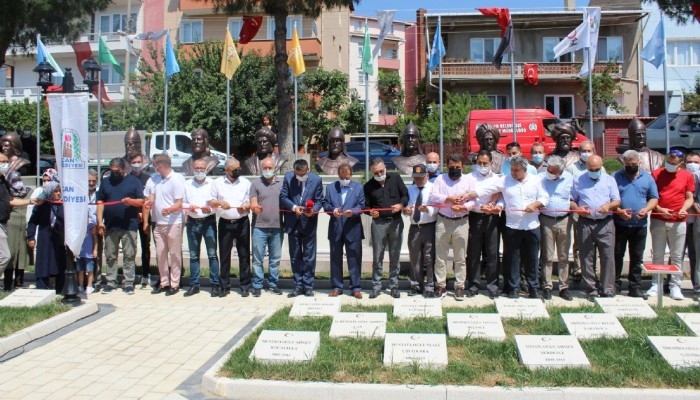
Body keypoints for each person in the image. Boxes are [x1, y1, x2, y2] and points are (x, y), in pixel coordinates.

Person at [472, 156, 549, 299]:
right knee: (513, 258)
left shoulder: (536, 180)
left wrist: (535, 205)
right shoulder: (505, 180)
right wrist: (468, 195)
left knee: (532, 258)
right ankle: (514, 287)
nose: (513, 173)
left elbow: (545, 197)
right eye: (512, 170)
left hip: (532, 225)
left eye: (517, 170)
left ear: (525, 170)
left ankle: (534, 287)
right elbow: (486, 189)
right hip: (513, 226)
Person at [571, 155, 621, 301]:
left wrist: (609, 206)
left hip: (605, 222)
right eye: (591, 169)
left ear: (601, 166)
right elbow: (572, 200)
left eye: (597, 169)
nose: (594, 172)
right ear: (586, 167)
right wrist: (577, 209)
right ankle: (591, 289)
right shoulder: (578, 180)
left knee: (607, 256)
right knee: (586, 256)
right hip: (585, 222)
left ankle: (607, 289)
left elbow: (616, 200)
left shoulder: (609, 180)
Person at [648, 150, 695, 300]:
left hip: (678, 221)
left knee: (677, 255)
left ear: (681, 163)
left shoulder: (687, 176)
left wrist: (683, 209)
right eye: (668, 161)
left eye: (673, 163)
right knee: (658, 254)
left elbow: (689, 197)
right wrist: (660, 209)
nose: (670, 165)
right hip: (658, 218)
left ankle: (675, 286)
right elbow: (651, 196)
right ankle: (656, 283)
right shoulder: (656, 173)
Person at [428, 154, 475, 299]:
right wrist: (448, 199)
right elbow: (432, 196)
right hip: (443, 221)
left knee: (460, 257)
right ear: (447, 167)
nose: (455, 170)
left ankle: (459, 286)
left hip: (461, 221)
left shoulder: (469, 180)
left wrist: (463, 207)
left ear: (462, 167)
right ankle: (440, 286)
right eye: (452, 167)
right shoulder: (440, 179)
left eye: (458, 167)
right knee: (440, 257)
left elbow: (474, 201)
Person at [613, 150, 658, 300]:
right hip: (620, 223)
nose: (630, 167)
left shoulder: (648, 178)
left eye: (633, 164)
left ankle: (635, 287)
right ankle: (615, 284)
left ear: (639, 162)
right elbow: (610, 198)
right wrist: (619, 211)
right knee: (617, 255)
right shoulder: (616, 177)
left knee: (637, 257)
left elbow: (654, 198)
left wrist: (646, 209)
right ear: (623, 163)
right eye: (628, 164)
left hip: (640, 224)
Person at [96, 158, 145, 294]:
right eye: (112, 171)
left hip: (129, 225)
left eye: (117, 171)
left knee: (129, 255)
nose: (114, 173)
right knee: (110, 255)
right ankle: (111, 282)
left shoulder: (133, 181)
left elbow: (142, 201)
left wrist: (131, 202)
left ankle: (128, 282)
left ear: (123, 169)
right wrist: (100, 222)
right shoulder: (106, 182)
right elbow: (100, 202)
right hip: (111, 226)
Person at [364, 158, 408, 298]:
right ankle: (376, 286)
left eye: (381, 171)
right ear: (372, 172)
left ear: (386, 168)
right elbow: (365, 206)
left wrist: (401, 205)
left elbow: (405, 195)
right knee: (378, 256)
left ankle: (394, 286)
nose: (379, 174)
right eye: (376, 172)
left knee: (395, 255)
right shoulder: (368, 186)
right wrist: (369, 212)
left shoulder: (395, 178)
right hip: (378, 223)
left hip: (395, 222)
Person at [280, 159, 324, 297]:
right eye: (298, 174)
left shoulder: (316, 180)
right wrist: (293, 207)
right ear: (294, 171)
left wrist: (313, 211)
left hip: (309, 223)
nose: (301, 176)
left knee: (309, 256)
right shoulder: (288, 178)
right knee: (295, 255)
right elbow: (283, 196)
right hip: (293, 222)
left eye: (303, 173)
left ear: (308, 170)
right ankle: (298, 285)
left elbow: (319, 200)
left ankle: (308, 285)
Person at [144, 154, 186, 296]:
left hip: (173, 223)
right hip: (158, 223)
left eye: (155, 165)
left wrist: (170, 209)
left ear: (160, 166)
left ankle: (174, 284)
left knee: (174, 254)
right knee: (161, 254)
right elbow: (152, 195)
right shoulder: (156, 179)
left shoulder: (176, 179)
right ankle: (164, 282)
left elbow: (179, 203)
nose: (154, 168)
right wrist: (149, 201)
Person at [209, 158, 251, 297]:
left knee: (244, 254)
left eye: (239, 168)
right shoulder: (217, 183)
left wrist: (246, 206)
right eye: (234, 169)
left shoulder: (245, 182)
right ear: (226, 170)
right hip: (225, 223)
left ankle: (245, 285)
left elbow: (251, 200)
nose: (238, 171)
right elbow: (211, 201)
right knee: (224, 255)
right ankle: (224, 286)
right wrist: (220, 202)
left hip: (242, 222)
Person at [464, 150, 503, 299]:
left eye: (485, 163)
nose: (482, 165)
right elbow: (467, 198)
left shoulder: (498, 178)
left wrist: (494, 204)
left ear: (491, 163)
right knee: (474, 253)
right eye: (479, 163)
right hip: (475, 217)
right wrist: (478, 206)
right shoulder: (469, 178)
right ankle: (473, 285)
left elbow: (500, 193)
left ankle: (492, 285)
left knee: (492, 253)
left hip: (492, 218)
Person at [323, 163, 365, 298]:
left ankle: (356, 287)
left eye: (347, 177)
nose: (344, 179)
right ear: (338, 175)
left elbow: (362, 205)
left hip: (353, 229)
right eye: (342, 177)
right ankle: (337, 287)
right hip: (336, 229)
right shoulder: (330, 188)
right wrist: (332, 210)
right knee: (335, 259)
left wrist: (352, 212)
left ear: (351, 175)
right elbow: (326, 204)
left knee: (354, 258)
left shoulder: (358, 188)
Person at [538, 156, 574, 301]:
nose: (549, 173)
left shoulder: (569, 178)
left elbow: (573, 197)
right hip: (546, 220)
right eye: (548, 169)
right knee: (547, 255)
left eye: (553, 171)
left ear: (561, 171)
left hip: (564, 220)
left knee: (564, 256)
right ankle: (546, 286)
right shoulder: (541, 178)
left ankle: (564, 287)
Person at [183, 159, 219, 297]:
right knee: (193, 255)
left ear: (206, 169)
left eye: (202, 168)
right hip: (192, 222)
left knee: (212, 254)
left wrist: (209, 209)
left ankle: (215, 285)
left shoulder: (213, 183)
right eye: (197, 168)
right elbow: (183, 202)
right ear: (193, 169)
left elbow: (216, 204)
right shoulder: (186, 184)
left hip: (208, 222)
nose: (199, 171)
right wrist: (188, 207)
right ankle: (194, 285)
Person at [250, 157, 284, 297]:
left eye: (270, 168)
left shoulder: (281, 184)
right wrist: (254, 207)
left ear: (275, 168)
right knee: (257, 259)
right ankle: (257, 285)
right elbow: (252, 203)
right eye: (265, 168)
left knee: (275, 259)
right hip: (259, 227)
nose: (268, 170)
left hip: (277, 227)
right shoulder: (255, 184)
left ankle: (273, 284)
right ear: (261, 168)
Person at [0, 157, 34, 289]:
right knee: (5, 256)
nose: (5, 164)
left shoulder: (3, 181)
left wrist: (31, 201)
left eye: (5, 162)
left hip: (3, 223)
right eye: (1, 162)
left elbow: (11, 201)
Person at [403, 164, 437, 297]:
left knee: (429, 257)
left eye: (421, 178)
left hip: (429, 225)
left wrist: (427, 209)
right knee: (414, 257)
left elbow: (437, 208)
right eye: (416, 178)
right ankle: (416, 285)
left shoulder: (433, 189)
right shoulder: (410, 189)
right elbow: (406, 206)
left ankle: (430, 286)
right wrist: (406, 211)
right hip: (414, 227)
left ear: (427, 176)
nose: (418, 180)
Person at [27, 182, 65, 292]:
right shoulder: (42, 204)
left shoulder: (63, 205)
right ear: (49, 192)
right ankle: (41, 289)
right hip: (45, 238)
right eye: (55, 191)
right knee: (43, 263)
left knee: (59, 264)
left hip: (59, 239)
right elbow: (33, 221)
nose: (58, 194)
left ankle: (59, 291)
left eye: (59, 191)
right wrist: (31, 237)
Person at [129, 153, 152, 288]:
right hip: (131, 217)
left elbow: (148, 199)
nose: (136, 164)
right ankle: (130, 275)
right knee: (131, 247)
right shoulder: (127, 179)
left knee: (146, 247)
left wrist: (144, 215)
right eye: (134, 162)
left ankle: (145, 274)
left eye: (139, 162)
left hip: (146, 218)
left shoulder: (148, 179)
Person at [77, 171, 99, 295]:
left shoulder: (99, 193)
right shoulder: (80, 194)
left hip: (97, 227)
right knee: (80, 267)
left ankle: (94, 281)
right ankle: (81, 284)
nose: (91, 183)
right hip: (83, 226)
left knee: (96, 258)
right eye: (89, 181)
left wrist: (99, 225)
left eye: (93, 181)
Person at [684, 152, 700, 299]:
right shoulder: (682, 175)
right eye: (689, 162)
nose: (692, 165)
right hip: (682, 218)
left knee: (696, 253)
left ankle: (697, 285)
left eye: (695, 162)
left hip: (697, 221)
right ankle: (671, 282)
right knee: (678, 253)